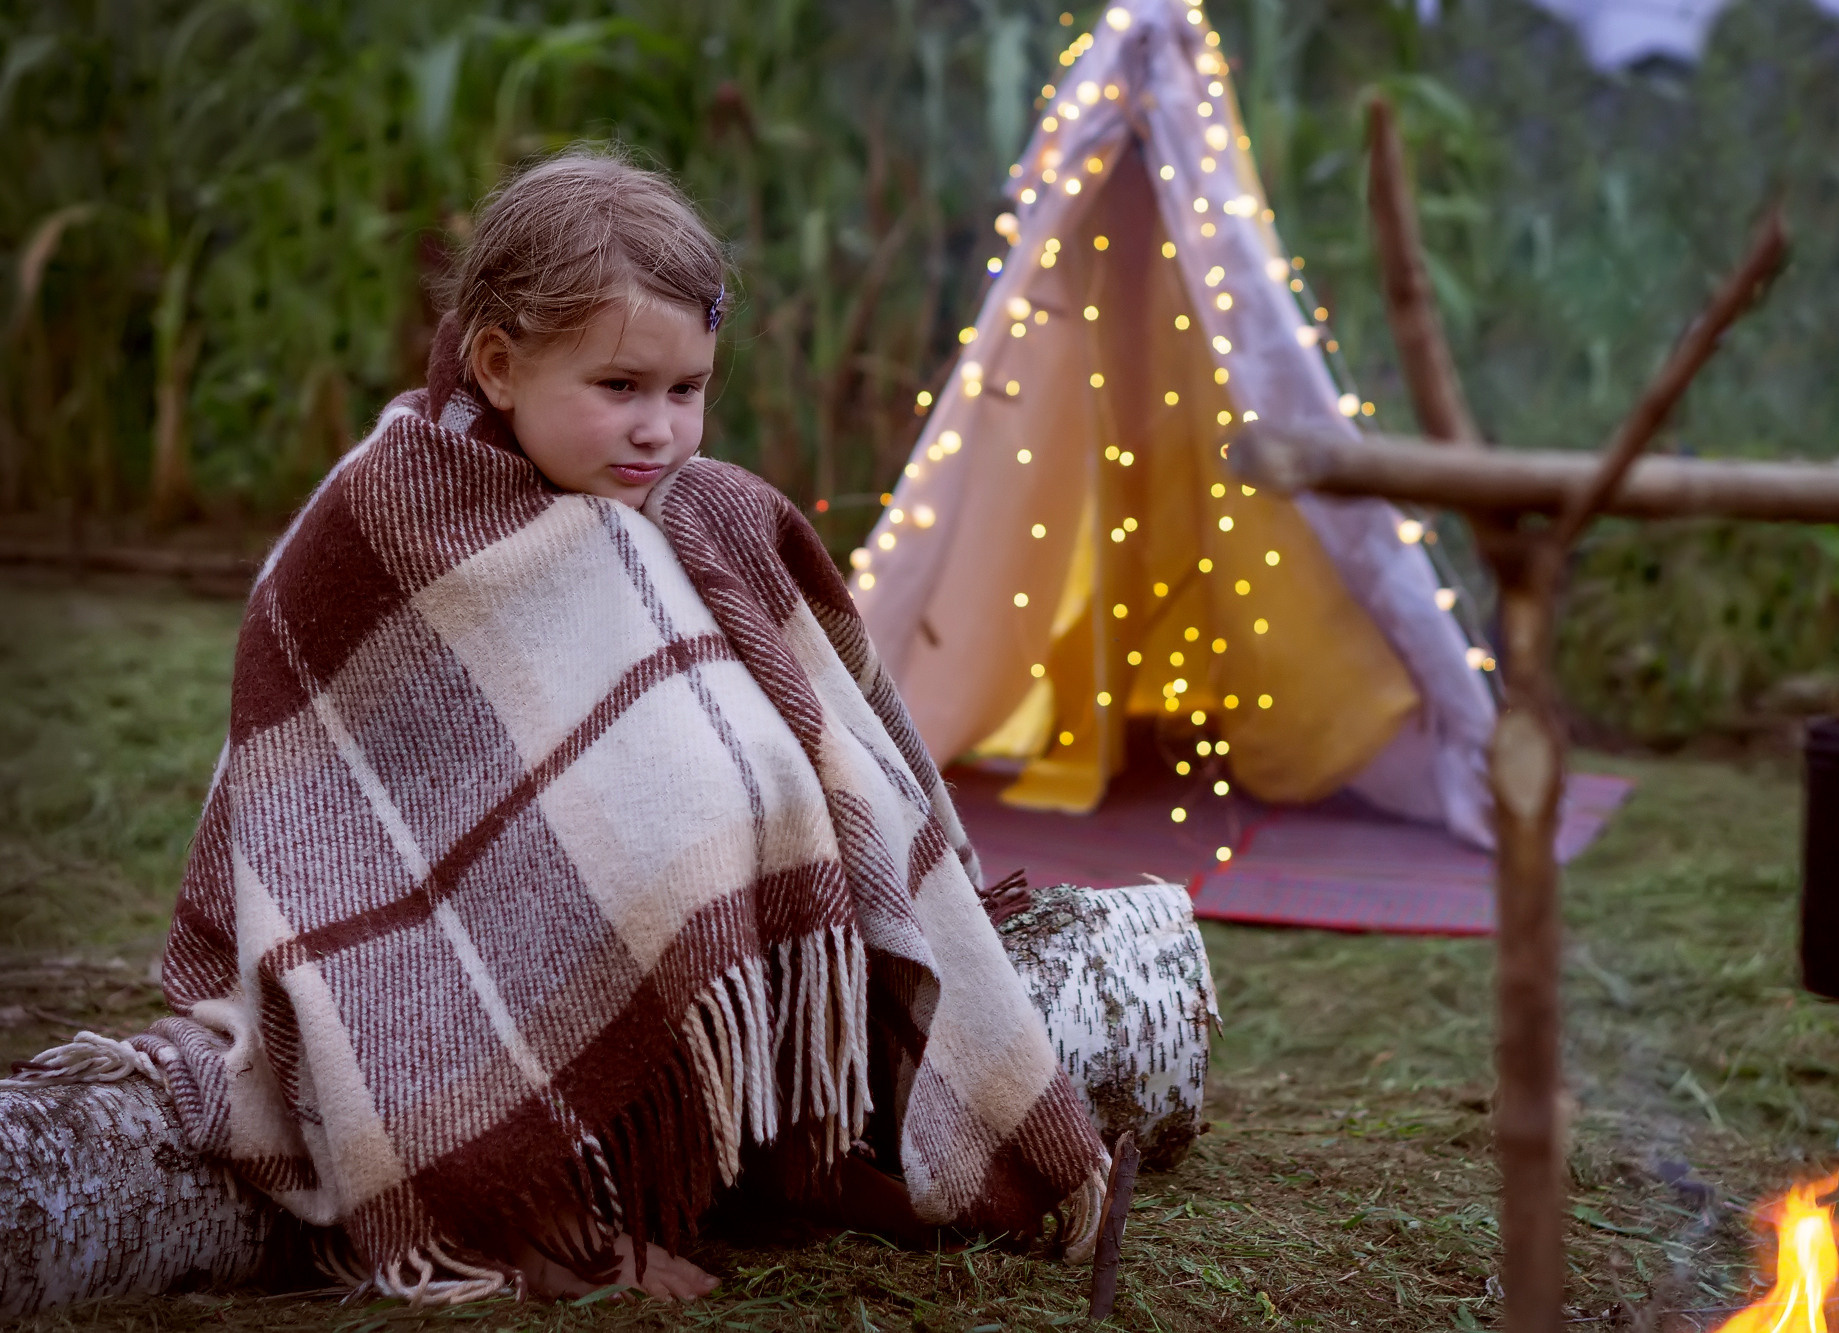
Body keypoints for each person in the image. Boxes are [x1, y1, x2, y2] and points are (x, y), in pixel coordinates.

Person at [8, 148, 1107, 1307]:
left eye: (686, 390)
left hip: (604, 903)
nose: (659, 431)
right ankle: (547, 1216)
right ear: (496, 363)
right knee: (626, 861)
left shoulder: (689, 512)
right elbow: (337, 772)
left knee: (759, 803)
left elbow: (805, 718)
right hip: (416, 919)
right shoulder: (389, 515)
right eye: (620, 386)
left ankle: (789, 1126)